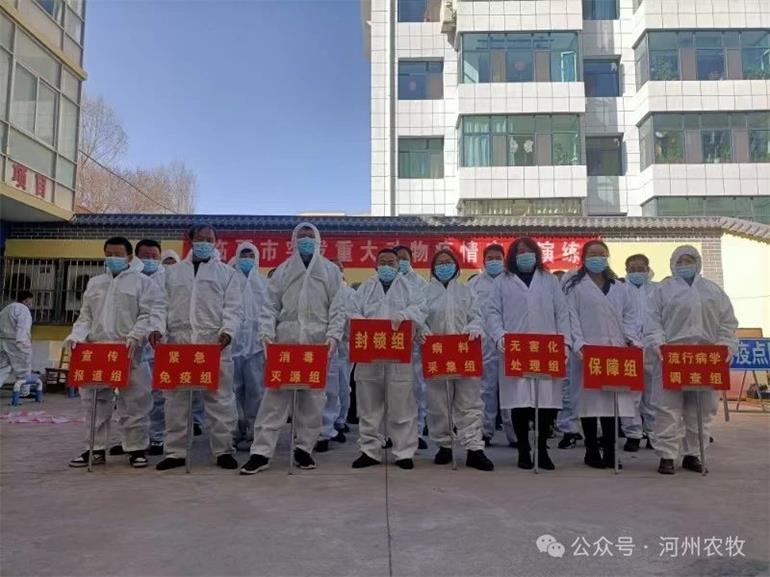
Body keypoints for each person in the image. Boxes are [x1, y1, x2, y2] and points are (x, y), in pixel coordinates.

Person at [240, 222, 345, 474]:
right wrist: (266, 334)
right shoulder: (283, 271)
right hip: (285, 342)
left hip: (316, 343)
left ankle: (304, 448)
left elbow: (338, 308)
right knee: (274, 399)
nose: (306, 240)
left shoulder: (330, 271)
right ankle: (261, 452)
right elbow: (270, 306)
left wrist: (332, 337)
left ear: (318, 240)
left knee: (313, 400)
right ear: (294, 241)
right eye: (301, 236)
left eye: (310, 236)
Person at [151, 224, 242, 471]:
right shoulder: (172, 273)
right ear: (190, 240)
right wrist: (157, 327)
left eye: (209, 239)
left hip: (214, 344)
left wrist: (228, 331)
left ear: (215, 242)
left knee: (220, 400)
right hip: (179, 344)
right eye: (200, 238)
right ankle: (175, 452)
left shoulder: (226, 274)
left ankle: (223, 450)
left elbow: (234, 308)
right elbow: (159, 304)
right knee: (176, 401)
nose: (205, 243)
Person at [66, 237, 161, 469]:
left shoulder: (143, 283)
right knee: (94, 403)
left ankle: (136, 449)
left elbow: (147, 314)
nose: (112, 258)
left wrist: (135, 336)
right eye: (108, 254)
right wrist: (76, 335)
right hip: (98, 351)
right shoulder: (95, 283)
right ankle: (95, 449)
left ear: (129, 256)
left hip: (129, 351)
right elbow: (86, 316)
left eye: (118, 254)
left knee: (136, 403)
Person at [646, 245, 738, 475]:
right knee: (667, 408)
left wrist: (725, 346)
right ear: (672, 264)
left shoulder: (713, 291)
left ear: (698, 263)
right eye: (680, 261)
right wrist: (659, 345)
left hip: (705, 359)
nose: (684, 265)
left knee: (701, 410)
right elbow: (652, 322)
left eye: (689, 261)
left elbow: (728, 323)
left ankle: (693, 454)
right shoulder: (662, 291)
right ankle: (667, 455)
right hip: (671, 356)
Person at [487, 238, 571, 470]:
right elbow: (492, 313)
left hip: (546, 348)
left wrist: (565, 342)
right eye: (520, 252)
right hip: (515, 347)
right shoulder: (502, 281)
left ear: (536, 254)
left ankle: (542, 449)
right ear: (512, 257)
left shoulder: (549, 280)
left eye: (529, 251)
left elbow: (562, 312)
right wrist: (500, 336)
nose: (524, 255)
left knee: (546, 402)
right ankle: (523, 449)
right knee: (520, 401)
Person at [563, 240, 641, 469]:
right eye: (592, 254)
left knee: (611, 403)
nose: (597, 258)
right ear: (584, 258)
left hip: (616, 353)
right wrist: (579, 344)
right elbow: (571, 318)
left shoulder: (619, 287)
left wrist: (631, 340)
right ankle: (591, 451)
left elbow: (629, 317)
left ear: (607, 257)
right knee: (588, 404)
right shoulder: (574, 287)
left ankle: (610, 450)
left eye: (601, 254)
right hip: (587, 353)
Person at [349, 248, 424, 470]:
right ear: (375, 264)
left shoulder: (410, 287)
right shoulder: (365, 288)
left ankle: (403, 452)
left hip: (398, 354)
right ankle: (369, 450)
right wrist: (360, 321)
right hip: (368, 353)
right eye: (382, 262)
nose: (386, 266)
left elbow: (421, 308)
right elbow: (350, 310)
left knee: (402, 405)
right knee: (368, 405)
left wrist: (405, 315)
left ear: (398, 265)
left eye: (391, 262)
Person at [420, 249, 494, 471]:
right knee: (438, 404)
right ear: (433, 268)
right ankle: (444, 445)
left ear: (456, 266)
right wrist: (421, 330)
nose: (444, 266)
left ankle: (474, 448)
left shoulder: (467, 291)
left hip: (465, 351)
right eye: (440, 263)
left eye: (448, 262)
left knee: (469, 402)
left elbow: (477, 316)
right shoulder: (424, 292)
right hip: (436, 353)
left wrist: (474, 327)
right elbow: (418, 316)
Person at [468, 244, 517, 448]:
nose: (494, 261)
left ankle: (515, 435)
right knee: (485, 390)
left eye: (498, 258)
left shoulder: (512, 282)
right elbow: (470, 311)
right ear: (484, 261)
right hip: (484, 344)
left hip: (509, 342)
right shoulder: (474, 284)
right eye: (490, 258)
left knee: (511, 389)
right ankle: (485, 431)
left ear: (504, 260)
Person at [229, 242, 268, 450]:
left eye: (250, 255)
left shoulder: (264, 283)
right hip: (231, 343)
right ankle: (234, 431)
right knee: (232, 391)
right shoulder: (229, 281)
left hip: (256, 346)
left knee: (256, 390)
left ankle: (254, 432)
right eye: (243, 255)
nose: (246, 259)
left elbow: (270, 311)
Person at [621, 254, 657, 452]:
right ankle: (633, 434)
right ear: (626, 271)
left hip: (653, 348)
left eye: (640, 269)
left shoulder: (657, 290)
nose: (636, 272)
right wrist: (630, 340)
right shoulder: (620, 290)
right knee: (630, 395)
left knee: (653, 395)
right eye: (632, 269)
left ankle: (652, 434)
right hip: (629, 347)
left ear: (647, 269)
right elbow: (618, 317)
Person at [394, 245, 429, 450]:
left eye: (404, 258)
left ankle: (417, 431)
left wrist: (418, 328)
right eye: (397, 258)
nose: (401, 262)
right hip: (389, 346)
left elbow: (424, 310)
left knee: (417, 390)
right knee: (391, 392)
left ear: (411, 260)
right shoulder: (381, 283)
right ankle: (389, 434)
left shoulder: (420, 284)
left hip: (414, 345)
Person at [0, 291, 34, 400]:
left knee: (3, 367)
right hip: (17, 341)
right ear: (26, 300)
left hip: (3, 341)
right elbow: (23, 327)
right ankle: (24, 392)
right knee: (23, 368)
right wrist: (23, 342)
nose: (31, 303)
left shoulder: (6, 309)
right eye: (30, 300)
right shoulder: (23, 309)